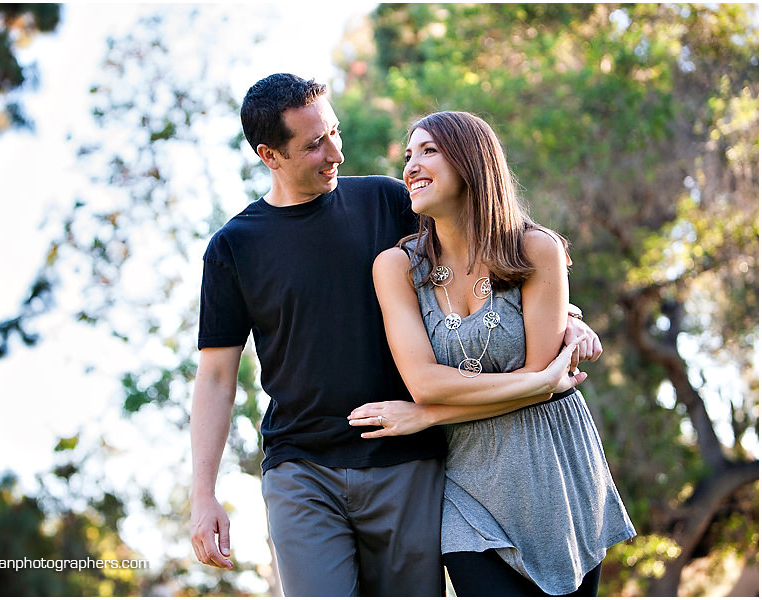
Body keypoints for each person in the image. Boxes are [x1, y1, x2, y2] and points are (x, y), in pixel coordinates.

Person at [190, 73, 602, 596]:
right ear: (270, 155)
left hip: (407, 461)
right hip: (302, 468)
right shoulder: (234, 248)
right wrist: (203, 494)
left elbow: (480, 255)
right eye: (314, 144)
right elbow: (217, 376)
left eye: (333, 132)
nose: (336, 152)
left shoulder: (385, 203)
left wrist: (565, 313)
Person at [348, 111, 635, 596]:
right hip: (469, 489)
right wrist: (540, 382)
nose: (411, 167)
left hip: (556, 472)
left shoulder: (536, 250)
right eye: (408, 155)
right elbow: (426, 381)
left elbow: (540, 383)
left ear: (471, 163)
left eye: (429, 151)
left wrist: (427, 416)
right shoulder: (396, 267)